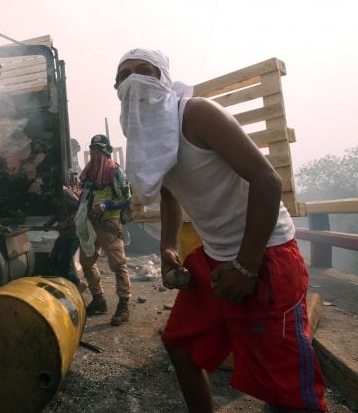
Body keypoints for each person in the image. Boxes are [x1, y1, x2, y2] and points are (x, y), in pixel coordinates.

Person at [115, 48, 326, 411]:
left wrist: (246, 265)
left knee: (289, 390)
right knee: (180, 345)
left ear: (163, 79)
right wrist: (167, 249)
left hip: (265, 254)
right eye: (125, 75)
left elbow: (267, 182)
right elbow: (169, 197)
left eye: (145, 71)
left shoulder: (195, 113)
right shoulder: (142, 133)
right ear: (117, 88)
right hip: (214, 257)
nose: (134, 81)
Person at [76, 134, 133, 325]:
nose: (95, 153)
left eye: (98, 150)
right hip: (90, 226)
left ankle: (123, 305)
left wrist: (104, 206)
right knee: (86, 261)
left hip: (109, 224)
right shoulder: (88, 173)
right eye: (92, 150)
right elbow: (84, 196)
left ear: (105, 151)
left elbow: (126, 197)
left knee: (118, 265)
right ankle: (99, 299)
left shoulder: (115, 172)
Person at [43, 176, 83, 290]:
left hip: (73, 234)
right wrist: (49, 223)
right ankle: (72, 285)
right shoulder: (55, 193)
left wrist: (67, 223)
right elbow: (58, 212)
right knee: (53, 261)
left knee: (63, 262)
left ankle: (75, 286)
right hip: (64, 235)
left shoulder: (65, 193)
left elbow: (80, 208)